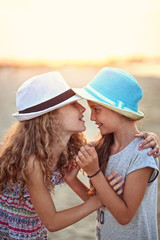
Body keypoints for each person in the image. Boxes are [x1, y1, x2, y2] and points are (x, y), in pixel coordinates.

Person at [0, 71, 158, 240]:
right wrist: (95, 199)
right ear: (51, 117)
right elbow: (53, 222)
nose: (82, 109)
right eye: (73, 104)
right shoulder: (33, 161)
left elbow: (109, 201)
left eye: (94, 108)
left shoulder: (73, 147)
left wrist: (152, 137)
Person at [74, 67, 159, 240]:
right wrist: (71, 180)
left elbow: (124, 216)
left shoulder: (142, 153)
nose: (92, 117)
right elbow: (101, 203)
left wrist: (94, 173)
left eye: (96, 109)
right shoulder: (101, 147)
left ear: (117, 109)